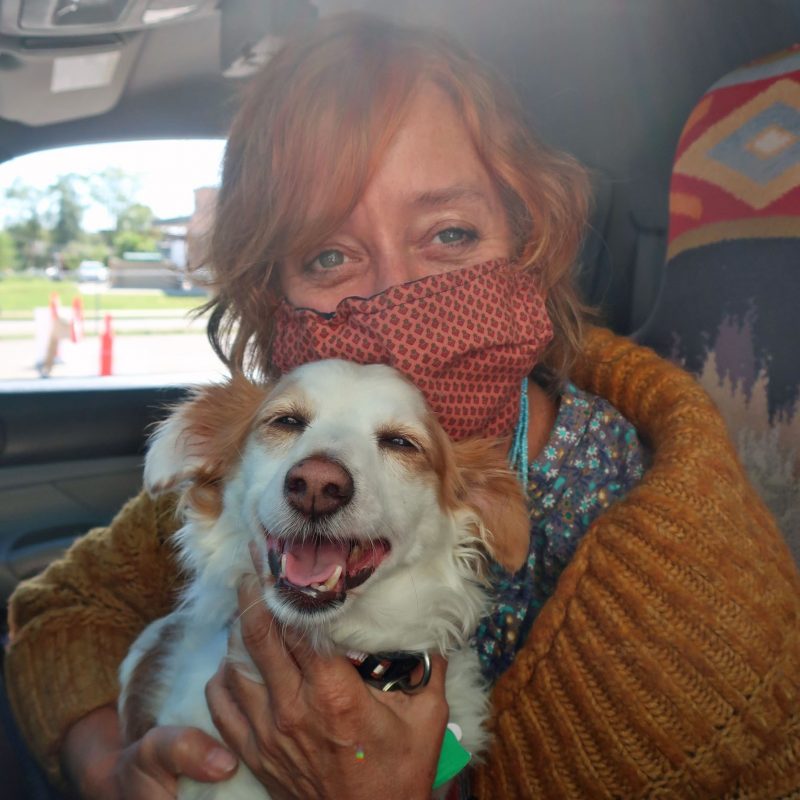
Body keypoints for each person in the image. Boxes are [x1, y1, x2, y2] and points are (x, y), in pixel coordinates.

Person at [4, 12, 799, 800]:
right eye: (327, 255)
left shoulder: (668, 543)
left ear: (528, 241)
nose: (395, 296)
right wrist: (108, 768)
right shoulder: (274, 461)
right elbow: (65, 608)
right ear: (270, 301)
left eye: (449, 235)